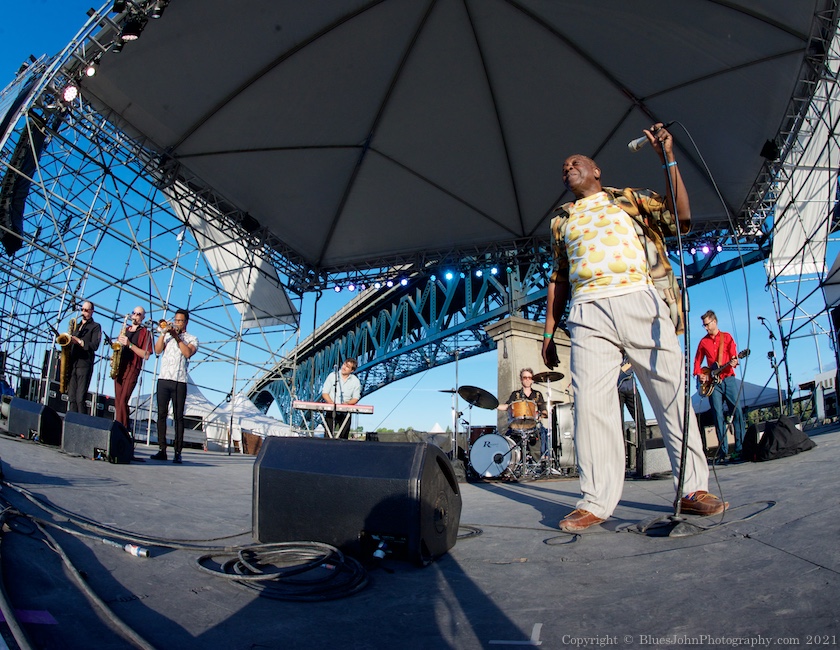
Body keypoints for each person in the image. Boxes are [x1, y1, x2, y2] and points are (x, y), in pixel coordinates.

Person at [541, 123, 725, 533]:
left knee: (670, 392)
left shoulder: (628, 200)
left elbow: (681, 216)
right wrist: (549, 332)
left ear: (597, 171)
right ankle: (595, 500)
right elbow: (559, 277)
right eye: (564, 166)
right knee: (591, 404)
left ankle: (692, 489)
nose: (568, 166)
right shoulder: (561, 221)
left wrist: (667, 159)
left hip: (640, 296)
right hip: (588, 310)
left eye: (576, 162)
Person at [693, 310, 746, 461]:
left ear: (714, 322)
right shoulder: (703, 342)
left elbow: (734, 356)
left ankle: (739, 448)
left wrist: (734, 361)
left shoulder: (727, 337)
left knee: (737, 413)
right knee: (717, 415)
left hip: (728, 379)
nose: (705, 328)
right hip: (713, 384)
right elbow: (697, 361)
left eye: (707, 325)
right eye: (704, 325)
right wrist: (699, 374)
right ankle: (723, 451)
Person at [151, 309, 198, 464]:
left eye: (180, 321)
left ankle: (177, 452)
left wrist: (177, 337)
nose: (177, 323)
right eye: (176, 320)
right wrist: (164, 333)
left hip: (180, 381)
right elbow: (157, 350)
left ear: (186, 322)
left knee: (178, 417)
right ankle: (161, 449)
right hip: (164, 378)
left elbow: (187, 353)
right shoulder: (168, 337)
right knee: (161, 415)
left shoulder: (192, 338)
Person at [497, 367, 549, 460]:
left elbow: (543, 410)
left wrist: (542, 415)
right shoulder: (515, 394)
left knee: (544, 432)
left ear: (532, 379)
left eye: (530, 377)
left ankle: (542, 459)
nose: (527, 380)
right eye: (525, 377)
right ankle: (512, 461)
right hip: (518, 424)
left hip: (533, 424)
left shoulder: (537, 394)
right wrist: (493, 405)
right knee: (505, 435)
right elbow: (506, 406)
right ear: (521, 379)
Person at [113, 307, 152, 430]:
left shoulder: (146, 333)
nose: (135, 316)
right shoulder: (125, 330)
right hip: (120, 366)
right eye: (133, 313)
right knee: (118, 400)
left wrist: (129, 344)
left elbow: (146, 355)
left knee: (123, 399)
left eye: (138, 314)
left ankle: (123, 429)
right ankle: (119, 427)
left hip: (133, 367)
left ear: (143, 317)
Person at [66, 301, 102, 413]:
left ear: (92, 312)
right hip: (73, 363)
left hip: (84, 364)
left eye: (86, 310)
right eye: (82, 309)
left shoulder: (95, 326)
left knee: (80, 398)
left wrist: (80, 342)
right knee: (71, 397)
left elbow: (94, 345)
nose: (83, 312)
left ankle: (82, 423)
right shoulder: (76, 326)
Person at [617, 353, 648, 473]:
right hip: (616, 389)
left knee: (641, 422)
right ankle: (620, 465)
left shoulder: (629, 350)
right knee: (618, 427)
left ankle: (643, 462)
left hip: (631, 387)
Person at [321, 358, 361, 439]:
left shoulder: (355, 381)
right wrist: (330, 402)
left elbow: (356, 398)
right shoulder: (332, 376)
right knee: (328, 436)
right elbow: (325, 393)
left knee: (344, 436)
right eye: (344, 364)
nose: (344, 367)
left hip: (346, 412)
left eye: (348, 366)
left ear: (352, 370)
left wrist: (347, 403)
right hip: (331, 410)